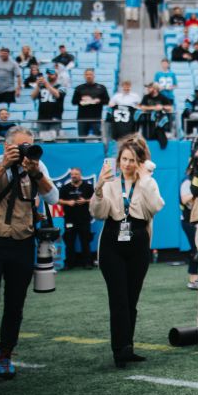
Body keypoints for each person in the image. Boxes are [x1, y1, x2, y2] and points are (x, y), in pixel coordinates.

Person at [0, 127, 59, 387]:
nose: (26, 150)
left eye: (29, 145)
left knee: (15, 303)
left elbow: (53, 196)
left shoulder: (37, 167)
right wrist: (5, 165)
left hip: (22, 242)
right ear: (7, 146)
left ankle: (5, 353)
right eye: (21, 146)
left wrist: (36, 172)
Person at [91, 135, 164, 367]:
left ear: (140, 162)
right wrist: (100, 188)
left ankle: (127, 346)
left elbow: (156, 206)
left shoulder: (148, 181)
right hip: (113, 241)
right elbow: (98, 212)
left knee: (131, 298)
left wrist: (143, 181)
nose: (127, 164)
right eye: (124, 159)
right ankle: (119, 349)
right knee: (119, 298)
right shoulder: (111, 181)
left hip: (138, 240)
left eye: (132, 160)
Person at [58, 168, 96, 269]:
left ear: (80, 175)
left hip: (84, 219)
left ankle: (87, 263)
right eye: (72, 174)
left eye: (76, 174)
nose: (74, 176)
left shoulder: (88, 187)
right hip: (70, 220)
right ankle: (69, 264)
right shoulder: (65, 188)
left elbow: (95, 199)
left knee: (85, 241)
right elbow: (58, 200)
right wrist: (68, 202)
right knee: (69, 242)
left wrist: (86, 200)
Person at [31, 69, 65, 134]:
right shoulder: (41, 87)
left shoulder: (61, 87)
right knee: (41, 140)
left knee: (53, 139)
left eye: (51, 74)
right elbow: (33, 97)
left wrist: (46, 84)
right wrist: (37, 86)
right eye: (48, 74)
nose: (49, 75)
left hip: (55, 119)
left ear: (56, 76)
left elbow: (57, 95)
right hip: (42, 119)